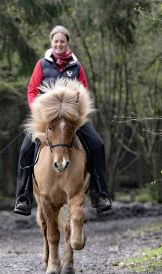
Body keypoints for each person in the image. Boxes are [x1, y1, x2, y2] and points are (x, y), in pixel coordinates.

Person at [14, 25, 112, 216]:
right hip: (47, 119)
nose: (59, 44)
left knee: (97, 145)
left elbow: (83, 91)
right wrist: (38, 110)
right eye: (56, 41)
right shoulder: (41, 64)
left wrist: (76, 110)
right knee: (26, 148)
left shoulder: (76, 66)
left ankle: (99, 193)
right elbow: (32, 90)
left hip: (71, 120)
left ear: (67, 44)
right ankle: (23, 196)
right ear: (51, 43)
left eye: (62, 41)